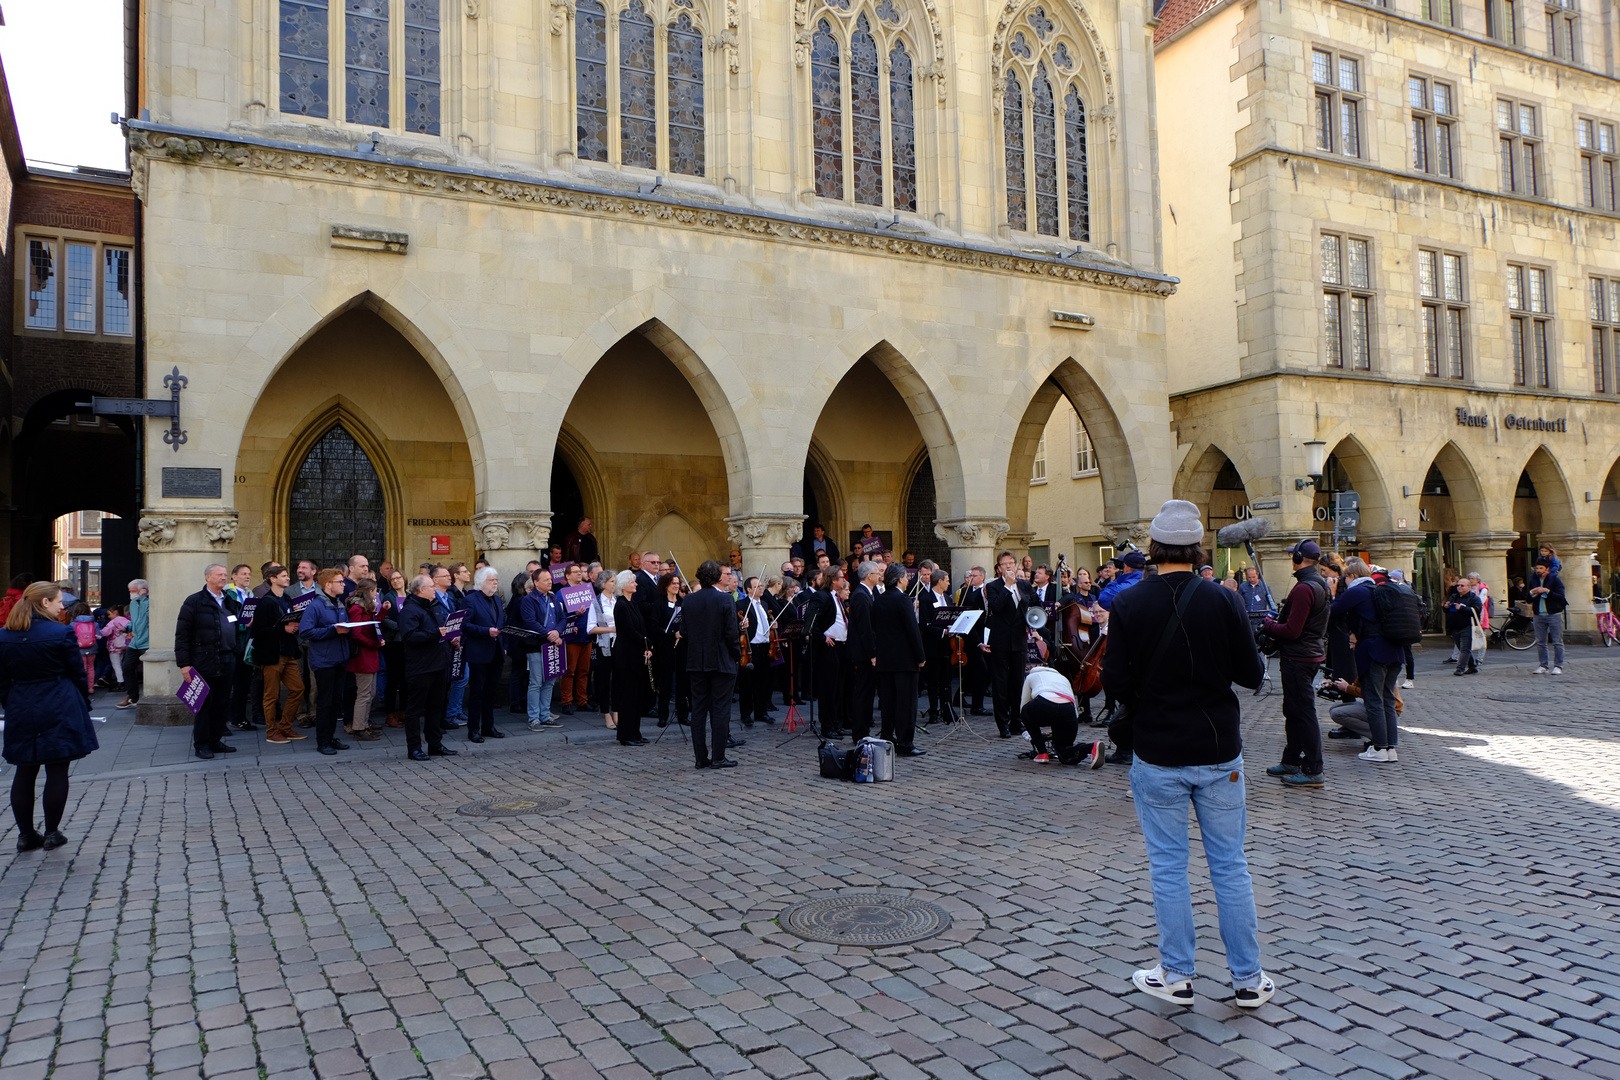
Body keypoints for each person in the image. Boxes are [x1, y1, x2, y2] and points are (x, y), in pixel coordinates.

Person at [1101, 499, 1272, 1010]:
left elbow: (1115, 681)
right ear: (1196, 547)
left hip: (1157, 749)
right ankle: (1247, 979)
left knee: (1169, 866)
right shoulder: (1223, 600)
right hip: (1218, 748)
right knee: (1229, 865)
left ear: (1153, 549)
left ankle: (1176, 974)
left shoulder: (1129, 604)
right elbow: (1250, 674)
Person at [0, 582, 99, 851]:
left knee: (25, 770)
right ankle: (53, 831)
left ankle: (25, 835)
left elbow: (3, 679)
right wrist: (82, 700)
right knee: (57, 768)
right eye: (57, 601)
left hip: (22, 703)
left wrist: (10, 702)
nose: (61, 606)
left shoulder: (4, 635)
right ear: (44, 603)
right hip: (58, 700)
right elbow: (76, 672)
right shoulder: (61, 632)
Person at [1260, 540, 1331, 789]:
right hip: (1305, 655)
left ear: (1300, 558)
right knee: (1294, 711)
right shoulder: (1318, 583)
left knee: (1302, 712)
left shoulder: (1304, 588)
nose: (1291, 558)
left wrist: (1268, 625)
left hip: (1299, 657)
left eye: (1293, 555)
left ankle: (1313, 769)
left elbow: (1291, 630)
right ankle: (1291, 760)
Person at [1328, 558, 1401, 763]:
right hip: (1395, 649)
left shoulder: (1358, 591)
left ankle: (1378, 748)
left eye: (1345, 579)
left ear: (1352, 576)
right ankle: (1390, 748)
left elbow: (1332, 612)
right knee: (1387, 698)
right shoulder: (1379, 589)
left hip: (1373, 650)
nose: (1345, 582)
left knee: (1373, 700)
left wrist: (1333, 593)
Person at [175, 564, 243, 761]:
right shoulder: (194, 601)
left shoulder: (228, 601)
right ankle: (202, 744)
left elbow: (235, 627)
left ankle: (215, 740)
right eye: (219, 575)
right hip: (203, 659)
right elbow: (182, 635)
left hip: (227, 658)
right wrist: (184, 664)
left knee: (222, 702)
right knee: (204, 703)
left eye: (225, 575)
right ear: (208, 577)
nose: (223, 578)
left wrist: (236, 649)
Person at [679, 560, 743, 769]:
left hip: (697, 662)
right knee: (720, 710)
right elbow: (732, 634)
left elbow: (684, 631)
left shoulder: (689, 600)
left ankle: (700, 758)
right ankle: (718, 757)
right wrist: (736, 655)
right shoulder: (725, 600)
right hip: (722, 661)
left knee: (698, 710)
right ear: (717, 577)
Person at [397, 573, 459, 761]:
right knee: (415, 710)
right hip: (420, 667)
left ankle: (435, 744)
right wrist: (435, 633)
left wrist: (450, 638)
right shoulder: (410, 610)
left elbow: (441, 632)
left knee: (436, 707)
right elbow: (409, 638)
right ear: (421, 590)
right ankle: (414, 748)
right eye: (432, 586)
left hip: (439, 664)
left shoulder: (434, 606)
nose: (435, 589)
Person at [297, 569, 355, 756]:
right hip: (324, 661)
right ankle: (322, 741)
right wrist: (332, 631)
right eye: (340, 582)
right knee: (325, 702)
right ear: (328, 584)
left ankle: (331, 737)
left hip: (339, 658)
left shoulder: (338, 603)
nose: (343, 585)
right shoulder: (316, 606)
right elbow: (305, 632)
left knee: (336, 701)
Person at [872, 563, 927, 756]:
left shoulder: (878, 600)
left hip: (886, 659)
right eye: (905, 576)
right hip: (905, 660)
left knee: (888, 702)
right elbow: (913, 631)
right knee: (906, 703)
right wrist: (920, 656)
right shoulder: (903, 599)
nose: (908, 580)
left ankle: (888, 738)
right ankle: (905, 743)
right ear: (899, 579)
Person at [250, 565, 306, 743]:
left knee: (298, 688)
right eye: (283, 575)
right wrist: (284, 628)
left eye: (287, 575)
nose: (287, 578)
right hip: (272, 654)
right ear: (272, 579)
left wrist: (294, 623)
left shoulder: (287, 598)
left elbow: (288, 622)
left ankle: (286, 727)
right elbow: (258, 631)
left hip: (288, 652)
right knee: (271, 695)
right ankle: (271, 731)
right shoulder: (266, 602)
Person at [984, 551, 1034, 739]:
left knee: (1018, 684)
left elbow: (1035, 606)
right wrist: (1007, 586)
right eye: (1004, 564)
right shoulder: (994, 586)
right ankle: (1002, 724)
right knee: (1001, 684)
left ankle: (1017, 722)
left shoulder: (1025, 585)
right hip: (1000, 641)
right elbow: (996, 607)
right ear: (998, 568)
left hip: (1019, 640)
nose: (1008, 567)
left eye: (1011, 563)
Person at [1019, 664, 1103, 767]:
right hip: (1068, 710)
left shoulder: (1031, 676)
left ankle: (1042, 753)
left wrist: (1031, 732)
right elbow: (1073, 706)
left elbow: (1023, 706)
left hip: (1044, 704)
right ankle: (1091, 747)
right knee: (1066, 754)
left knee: (1025, 711)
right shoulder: (1063, 678)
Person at [460, 566, 508, 743]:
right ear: (481, 582)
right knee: (477, 692)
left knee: (491, 692)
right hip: (478, 652)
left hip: (496, 652)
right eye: (491, 580)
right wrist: (486, 631)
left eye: (496, 580)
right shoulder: (470, 600)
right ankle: (474, 730)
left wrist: (504, 643)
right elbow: (465, 626)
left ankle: (488, 726)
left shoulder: (496, 599)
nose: (495, 583)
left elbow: (502, 622)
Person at [521, 568, 568, 730]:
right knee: (536, 682)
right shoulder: (529, 600)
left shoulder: (554, 598)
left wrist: (557, 632)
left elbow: (562, 618)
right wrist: (549, 634)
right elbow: (530, 622)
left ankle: (545, 715)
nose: (550, 581)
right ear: (536, 582)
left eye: (550, 579)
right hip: (536, 646)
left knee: (550, 682)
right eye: (546, 579)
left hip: (552, 646)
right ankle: (534, 718)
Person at [610, 570, 650, 746]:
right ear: (624, 585)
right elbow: (628, 631)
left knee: (637, 696)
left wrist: (647, 645)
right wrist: (646, 642)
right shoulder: (621, 605)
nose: (636, 584)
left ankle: (635, 732)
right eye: (633, 582)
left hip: (636, 655)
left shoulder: (632, 603)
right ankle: (626, 735)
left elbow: (640, 627)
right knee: (628, 697)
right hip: (626, 656)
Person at [846, 561, 882, 740]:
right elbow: (865, 628)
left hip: (865, 653)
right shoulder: (860, 595)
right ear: (869, 576)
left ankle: (864, 729)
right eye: (876, 573)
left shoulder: (868, 593)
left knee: (867, 693)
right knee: (863, 693)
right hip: (863, 655)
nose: (879, 576)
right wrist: (873, 653)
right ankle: (859, 732)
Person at [344, 582, 384, 741]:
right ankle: (359, 728)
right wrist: (374, 644)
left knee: (370, 693)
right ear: (369, 592)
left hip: (370, 654)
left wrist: (384, 611)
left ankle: (364, 724)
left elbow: (375, 624)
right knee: (364, 694)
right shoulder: (357, 609)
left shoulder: (367, 608)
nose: (376, 595)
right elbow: (356, 634)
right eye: (375, 591)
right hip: (363, 656)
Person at [737, 576, 773, 727]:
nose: (761, 588)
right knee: (746, 684)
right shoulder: (741, 604)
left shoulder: (764, 604)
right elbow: (736, 624)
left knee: (762, 682)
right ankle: (746, 714)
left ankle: (761, 712)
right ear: (749, 589)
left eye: (761, 586)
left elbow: (765, 623)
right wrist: (741, 625)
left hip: (764, 647)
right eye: (757, 586)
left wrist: (773, 624)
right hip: (750, 648)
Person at [919, 569, 955, 724]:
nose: (948, 583)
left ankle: (947, 710)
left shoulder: (947, 598)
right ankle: (934, 711)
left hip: (947, 647)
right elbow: (924, 624)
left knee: (946, 680)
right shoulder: (925, 599)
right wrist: (943, 631)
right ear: (939, 581)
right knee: (933, 681)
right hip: (933, 646)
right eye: (946, 580)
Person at [557, 562, 592, 715]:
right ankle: (566, 701)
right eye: (576, 571)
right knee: (569, 671)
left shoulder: (587, 590)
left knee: (584, 671)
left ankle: (582, 701)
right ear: (567, 575)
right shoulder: (561, 593)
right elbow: (558, 616)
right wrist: (574, 615)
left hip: (587, 635)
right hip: (572, 637)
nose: (579, 574)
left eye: (580, 571)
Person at [586, 571, 618, 730]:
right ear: (604, 583)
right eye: (612, 581)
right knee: (604, 681)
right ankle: (606, 714)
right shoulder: (596, 603)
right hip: (604, 646)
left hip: (619, 644)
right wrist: (610, 629)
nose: (614, 584)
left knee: (619, 680)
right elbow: (590, 628)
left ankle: (617, 712)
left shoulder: (617, 600)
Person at [115, 579, 150, 710]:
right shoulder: (134, 603)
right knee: (127, 667)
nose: (131, 594)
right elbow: (135, 623)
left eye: (133, 591)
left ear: (143, 590)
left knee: (149, 670)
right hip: (136, 642)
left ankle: (146, 696)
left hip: (147, 641)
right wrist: (126, 628)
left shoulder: (150, 603)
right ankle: (132, 697)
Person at [1529, 557, 1567, 674]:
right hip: (1538, 614)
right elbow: (1527, 598)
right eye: (1537, 568)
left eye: (1541, 568)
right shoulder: (1533, 580)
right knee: (1540, 642)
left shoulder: (1555, 580)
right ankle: (1543, 665)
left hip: (1553, 614)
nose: (1538, 570)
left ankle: (1558, 666)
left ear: (1548, 569)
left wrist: (1547, 591)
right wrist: (1532, 593)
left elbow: (1561, 598)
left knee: (1557, 641)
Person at [1443, 576, 1482, 676]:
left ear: (1469, 587)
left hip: (1467, 626)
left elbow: (1476, 611)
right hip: (1454, 626)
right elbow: (1447, 610)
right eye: (1458, 585)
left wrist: (1462, 608)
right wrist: (1446, 607)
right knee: (1462, 648)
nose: (1459, 587)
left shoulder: (1474, 598)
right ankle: (1472, 667)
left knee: (1465, 648)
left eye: (1462, 585)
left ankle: (1460, 669)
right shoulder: (1454, 596)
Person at [100, 604, 132, 691]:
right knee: (121, 664)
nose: (109, 616)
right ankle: (124, 681)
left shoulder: (113, 622)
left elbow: (105, 632)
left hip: (114, 647)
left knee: (116, 665)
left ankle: (120, 683)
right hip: (124, 645)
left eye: (109, 614)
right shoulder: (125, 620)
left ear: (115, 612)